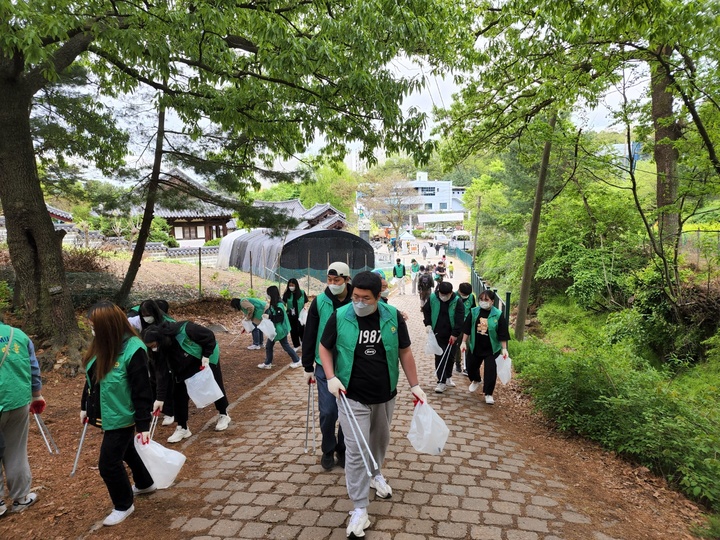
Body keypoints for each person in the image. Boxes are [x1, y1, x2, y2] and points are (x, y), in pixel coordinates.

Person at [318, 271, 427, 539]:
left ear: (379, 296)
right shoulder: (341, 315)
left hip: (385, 394)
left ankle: (376, 473)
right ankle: (359, 508)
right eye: (356, 297)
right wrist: (331, 377)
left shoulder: (392, 317)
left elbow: (405, 351)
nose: (359, 302)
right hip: (350, 395)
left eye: (366, 298)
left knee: (379, 441)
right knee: (355, 450)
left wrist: (415, 385)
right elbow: (324, 347)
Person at [80, 301, 154, 526]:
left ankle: (123, 504)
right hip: (107, 413)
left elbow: (143, 392)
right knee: (127, 450)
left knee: (108, 464)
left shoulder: (134, 350)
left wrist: (143, 426)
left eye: (94, 325)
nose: (91, 329)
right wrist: (85, 407)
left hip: (122, 416)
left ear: (108, 325)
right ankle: (144, 483)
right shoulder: (102, 345)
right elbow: (92, 379)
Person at [142, 319, 231, 441]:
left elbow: (209, 336)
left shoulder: (186, 330)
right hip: (181, 365)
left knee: (214, 385)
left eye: (154, 346)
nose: (153, 349)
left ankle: (223, 414)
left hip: (203, 358)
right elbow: (161, 374)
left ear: (160, 339)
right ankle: (182, 427)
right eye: (150, 347)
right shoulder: (160, 349)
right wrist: (160, 398)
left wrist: (206, 355)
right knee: (178, 393)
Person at [301, 262, 353, 470]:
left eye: (337, 280)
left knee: (347, 412)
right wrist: (307, 366)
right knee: (328, 412)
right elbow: (310, 333)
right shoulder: (320, 302)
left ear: (347, 280)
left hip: (349, 366)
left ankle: (343, 448)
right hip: (324, 365)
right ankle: (328, 449)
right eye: (329, 280)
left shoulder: (356, 300)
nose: (332, 284)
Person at [0, 319, 45, 516]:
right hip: (18, 400)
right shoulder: (18, 335)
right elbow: (33, 367)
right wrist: (37, 395)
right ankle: (21, 498)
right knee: (16, 450)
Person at [128, 299, 176, 426]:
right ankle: (153, 407)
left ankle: (170, 411)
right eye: (143, 315)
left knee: (164, 379)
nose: (146, 318)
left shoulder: (166, 323)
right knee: (151, 381)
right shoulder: (139, 321)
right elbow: (125, 323)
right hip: (150, 355)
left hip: (164, 354)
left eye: (148, 315)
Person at [460, 289, 510, 404]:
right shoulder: (474, 312)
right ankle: (476, 379)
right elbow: (467, 328)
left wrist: (504, 348)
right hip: (476, 346)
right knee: (471, 367)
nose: (483, 302)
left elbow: (502, 332)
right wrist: (463, 342)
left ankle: (488, 394)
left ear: (492, 301)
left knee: (490, 371)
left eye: (486, 300)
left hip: (492, 348)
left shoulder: (498, 314)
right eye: (481, 299)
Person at [422, 281, 464, 393]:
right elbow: (426, 311)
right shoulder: (432, 298)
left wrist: (455, 334)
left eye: (446, 294)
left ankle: (448, 376)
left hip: (452, 334)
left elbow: (460, 319)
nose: (443, 296)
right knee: (440, 356)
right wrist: (428, 324)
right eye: (441, 293)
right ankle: (441, 381)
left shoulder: (457, 301)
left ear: (451, 293)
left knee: (450, 356)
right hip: (437, 333)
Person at [258, 286, 302, 369]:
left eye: (268, 294)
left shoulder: (279, 305)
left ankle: (297, 360)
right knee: (269, 346)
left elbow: (279, 318)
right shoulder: (274, 303)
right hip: (275, 330)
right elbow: (270, 311)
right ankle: (268, 363)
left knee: (285, 346)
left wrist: (269, 317)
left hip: (280, 330)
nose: (267, 295)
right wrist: (266, 313)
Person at [454, 283, 476, 375]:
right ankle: (458, 363)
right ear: (459, 291)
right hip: (457, 325)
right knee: (457, 344)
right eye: (464, 294)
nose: (465, 296)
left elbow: (473, 309)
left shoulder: (471, 297)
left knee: (467, 345)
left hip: (468, 325)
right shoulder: (454, 296)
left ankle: (466, 365)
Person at [282, 278, 308, 351]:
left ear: (296, 285)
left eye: (292, 285)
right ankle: (296, 345)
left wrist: (305, 307)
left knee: (302, 329)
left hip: (300, 315)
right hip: (291, 315)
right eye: (290, 285)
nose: (291, 287)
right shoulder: (287, 293)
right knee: (293, 330)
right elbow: (283, 303)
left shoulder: (302, 293)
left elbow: (306, 301)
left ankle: (304, 343)